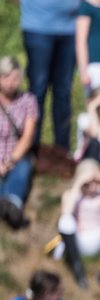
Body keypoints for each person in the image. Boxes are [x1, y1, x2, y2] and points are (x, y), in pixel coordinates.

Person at [20, 0, 79, 154]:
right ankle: (31, 151)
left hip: (70, 28)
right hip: (37, 27)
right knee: (38, 91)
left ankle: (62, 153)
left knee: (63, 93)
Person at [57, 158, 100, 290]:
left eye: (94, 181)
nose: (92, 185)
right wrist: (79, 183)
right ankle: (77, 269)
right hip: (80, 240)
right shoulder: (71, 195)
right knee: (65, 221)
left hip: (99, 239)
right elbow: (66, 213)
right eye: (88, 182)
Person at [0, 56, 39, 230]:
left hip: (16, 156)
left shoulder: (28, 100)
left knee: (22, 168)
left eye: (15, 78)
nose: (11, 83)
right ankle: (6, 205)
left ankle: (13, 205)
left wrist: (10, 161)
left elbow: (28, 137)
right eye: (6, 77)